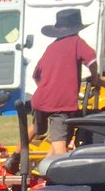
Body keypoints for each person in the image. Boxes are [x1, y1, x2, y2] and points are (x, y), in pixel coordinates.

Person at [29, 8, 100, 154]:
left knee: (37, 128)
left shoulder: (51, 47)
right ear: (77, 28)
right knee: (60, 140)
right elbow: (91, 58)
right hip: (61, 103)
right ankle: (60, 173)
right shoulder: (76, 42)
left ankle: (15, 158)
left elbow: (36, 74)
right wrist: (95, 78)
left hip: (41, 99)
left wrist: (48, 87)